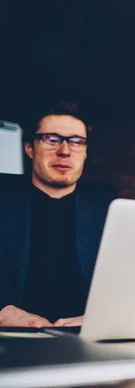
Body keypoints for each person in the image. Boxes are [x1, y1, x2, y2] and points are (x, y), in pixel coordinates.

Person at [0, 100, 117, 328]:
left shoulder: (107, 205)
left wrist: (102, 317)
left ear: (84, 153)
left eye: (76, 142)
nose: (64, 151)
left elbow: (126, 280)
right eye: (51, 140)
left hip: (84, 338)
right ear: (29, 148)